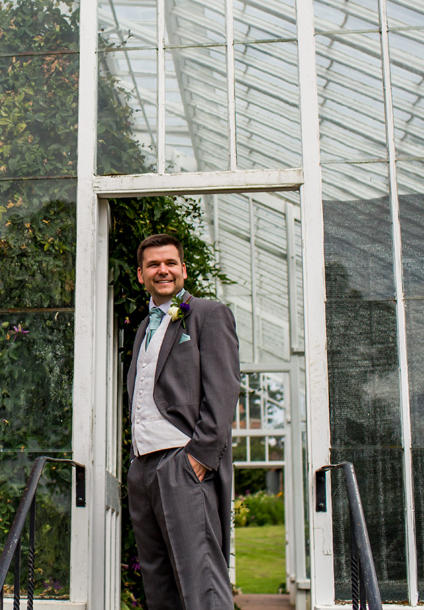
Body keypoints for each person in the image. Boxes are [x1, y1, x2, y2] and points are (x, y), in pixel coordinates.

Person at [127, 233, 240, 610]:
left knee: (201, 580)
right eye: (154, 265)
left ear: (183, 270)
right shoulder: (144, 328)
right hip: (143, 467)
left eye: (170, 263)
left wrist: (199, 458)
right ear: (140, 275)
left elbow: (223, 390)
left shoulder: (208, 314)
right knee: (159, 583)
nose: (163, 270)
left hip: (182, 462)